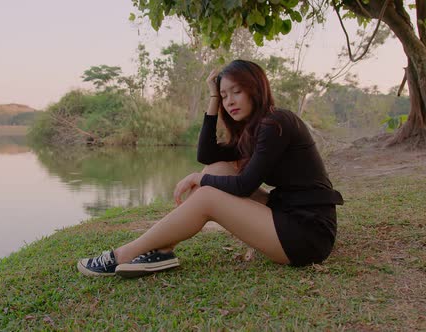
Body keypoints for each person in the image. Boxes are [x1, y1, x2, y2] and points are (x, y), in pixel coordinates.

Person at [77, 59, 343, 278]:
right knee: (217, 169)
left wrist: (198, 180)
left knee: (206, 192)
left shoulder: (275, 123)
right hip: (286, 214)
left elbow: (244, 186)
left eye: (236, 92)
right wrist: (213, 98)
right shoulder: (254, 131)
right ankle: (163, 251)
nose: (229, 101)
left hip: (307, 234)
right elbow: (205, 155)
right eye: (224, 95)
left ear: (256, 88)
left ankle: (123, 255)